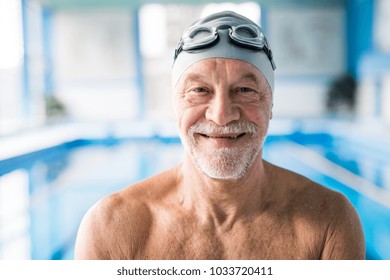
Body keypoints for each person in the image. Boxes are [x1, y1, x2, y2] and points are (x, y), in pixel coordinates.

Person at [74, 11, 365, 260]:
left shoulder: (330, 221)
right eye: (200, 90)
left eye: (245, 90)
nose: (222, 114)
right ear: (175, 106)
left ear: (271, 105)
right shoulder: (112, 228)